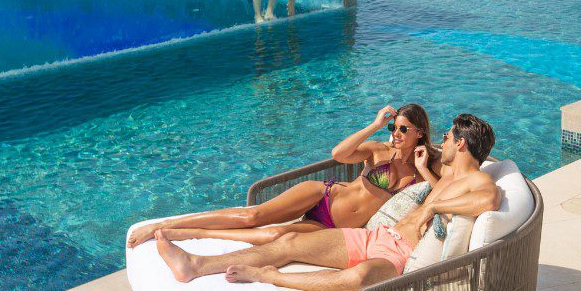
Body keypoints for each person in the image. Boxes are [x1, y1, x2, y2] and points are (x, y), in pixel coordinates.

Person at [154, 114, 500, 291]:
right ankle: (197, 264)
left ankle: (270, 277)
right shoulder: (446, 171)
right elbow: (342, 154)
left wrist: (434, 208)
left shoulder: (477, 179)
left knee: (360, 277)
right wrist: (425, 174)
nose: (442, 140)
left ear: (463, 144)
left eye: (448, 137)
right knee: (286, 241)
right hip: (375, 235)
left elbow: (488, 199)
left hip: (398, 255)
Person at [127, 104, 434, 248]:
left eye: (403, 129)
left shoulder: (421, 173)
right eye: (394, 127)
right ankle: (165, 224)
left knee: (277, 235)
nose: (396, 133)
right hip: (324, 195)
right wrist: (375, 124)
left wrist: (421, 169)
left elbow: (441, 190)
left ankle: (196, 234)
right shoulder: (378, 149)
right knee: (254, 215)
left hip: (333, 227)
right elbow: (339, 154)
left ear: (420, 133)